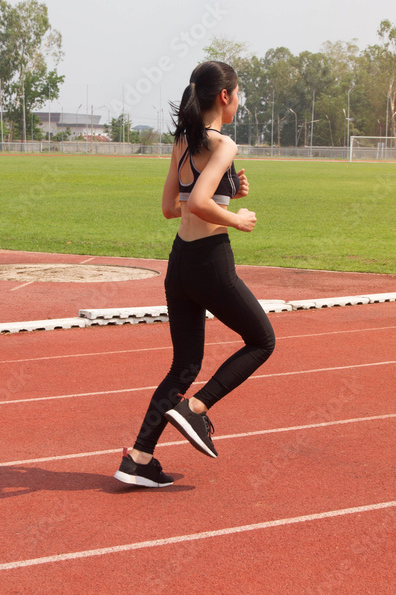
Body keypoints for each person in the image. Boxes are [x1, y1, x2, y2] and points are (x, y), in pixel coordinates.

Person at [115, 61, 276, 487]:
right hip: (209, 261)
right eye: (238, 94)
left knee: (184, 364)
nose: (239, 102)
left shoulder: (183, 141)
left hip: (179, 263)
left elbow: (172, 206)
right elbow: (201, 204)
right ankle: (197, 409)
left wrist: (228, 190)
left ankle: (139, 457)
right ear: (224, 96)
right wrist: (236, 217)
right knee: (262, 340)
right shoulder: (224, 143)